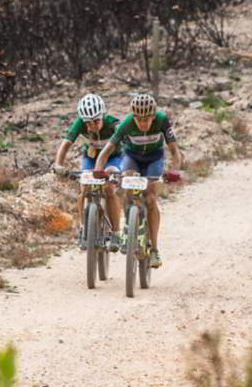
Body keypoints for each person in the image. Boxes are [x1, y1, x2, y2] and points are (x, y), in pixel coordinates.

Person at [94, 90, 181, 266]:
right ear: (133, 117)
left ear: (153, 116)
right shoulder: (126, 123)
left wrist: (175, 170)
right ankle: (128, 228)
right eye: (138, 119)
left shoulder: (162, 119)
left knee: (150, 198)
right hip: (132, 157)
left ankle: (155, 249)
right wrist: (98, 168)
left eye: (146, 119)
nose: (142, 123)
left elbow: (174, 151)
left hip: (154, 158)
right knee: (125, 183)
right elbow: (107, 150)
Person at [52, 93, 123, 246]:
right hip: (90, 158)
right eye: (88, 123)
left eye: (96, 120)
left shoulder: (112, 124)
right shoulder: (79, 124)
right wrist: (58, 164)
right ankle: (83, 228)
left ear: (103, 115)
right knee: (84, 187)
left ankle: (116, 233)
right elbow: (65, 145)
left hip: (113, 157)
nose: (92, 125)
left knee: (109, 189)